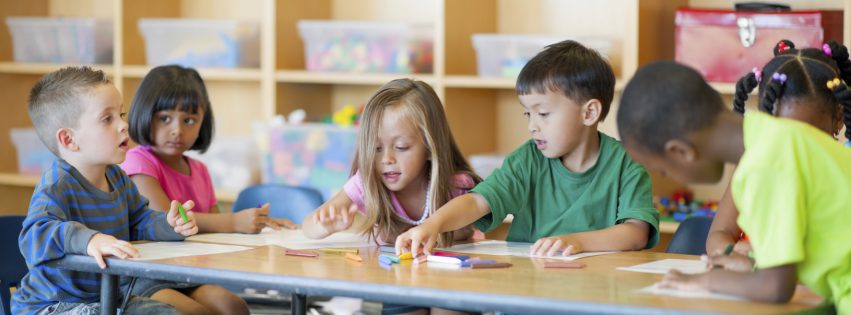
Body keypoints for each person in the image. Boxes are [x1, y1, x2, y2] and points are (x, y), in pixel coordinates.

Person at [616, 61, 851, 311]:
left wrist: (705, 280)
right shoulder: (775, 137)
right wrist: (753, 264)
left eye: (663, 170)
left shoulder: (764, 164)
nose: (669, 176)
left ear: (681, 151)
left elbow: (776, 288)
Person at [396, 40, 659, 258]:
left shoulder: (627, 164)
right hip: (530, 285)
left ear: (589, 112)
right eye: (528, 115)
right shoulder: (527, 160)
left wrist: (577, 242)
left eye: (543, 113)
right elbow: (477, 201)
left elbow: (636, 233)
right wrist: (432, 225)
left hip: (596, 291)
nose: (532, 126)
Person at [11, 66, 198, 315]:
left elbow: (140, 221)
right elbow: (35, 234)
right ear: (69, 140)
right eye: (107, 119)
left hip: (110, 297)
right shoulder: (57, 185)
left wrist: (169, 225)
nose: (123, 125)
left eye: (121, 114)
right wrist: (90, 240)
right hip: (55, 306)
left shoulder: (117, 178)